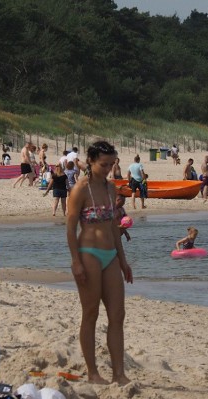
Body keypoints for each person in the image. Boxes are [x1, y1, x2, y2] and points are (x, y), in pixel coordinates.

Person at [66, 140, 133, 385]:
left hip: (111, 256)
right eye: (104, 164)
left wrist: (123, 260)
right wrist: (76, 262)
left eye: (111, 164)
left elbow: (114, 228)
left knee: (117, 314)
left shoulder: (111, 188)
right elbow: (71, 228)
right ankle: (93, 373)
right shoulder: (80, 190)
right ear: (91, 161)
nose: (108, 168)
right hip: (88, 253)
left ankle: (119, 373)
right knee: (91, 313)